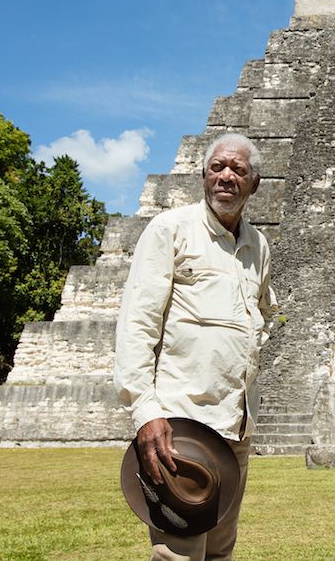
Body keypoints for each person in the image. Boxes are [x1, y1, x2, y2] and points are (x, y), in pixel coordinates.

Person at [114, 132, 276, 561]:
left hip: (235, 425)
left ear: (254, 183)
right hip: (181, 423)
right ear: (203, 175)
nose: (226, 177)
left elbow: (256, 320)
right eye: (217, 167)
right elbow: (137, 324)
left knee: (221, 551)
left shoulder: (258, 246)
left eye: (238, 170)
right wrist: (145, 411)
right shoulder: (170, 229)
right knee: (179, 555)